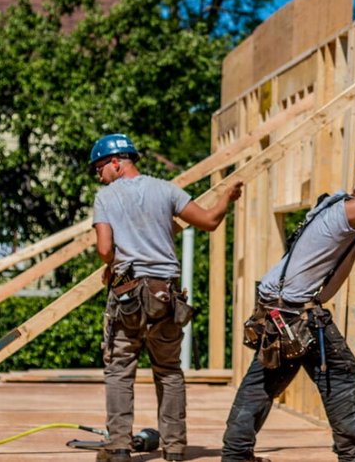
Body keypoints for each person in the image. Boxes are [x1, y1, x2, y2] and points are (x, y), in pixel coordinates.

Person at [221, 156, 355, 462]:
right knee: (343, 374)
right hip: (298, 314)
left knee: (264, 379)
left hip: (274, 309)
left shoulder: (331, 204)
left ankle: (236, 453)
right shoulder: (351, 210)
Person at [91, 133, 243, 462]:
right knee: (169, 370)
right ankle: (174, 447)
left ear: (116, 162)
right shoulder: (167, 190)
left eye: (99, 167)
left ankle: (118, 446)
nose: (98, 175)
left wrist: (113, 261)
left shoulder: (106, 197)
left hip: (127, 295)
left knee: (119, 369)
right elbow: (209, 221)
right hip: (165, 295)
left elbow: (105, 250)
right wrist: (226, 198)